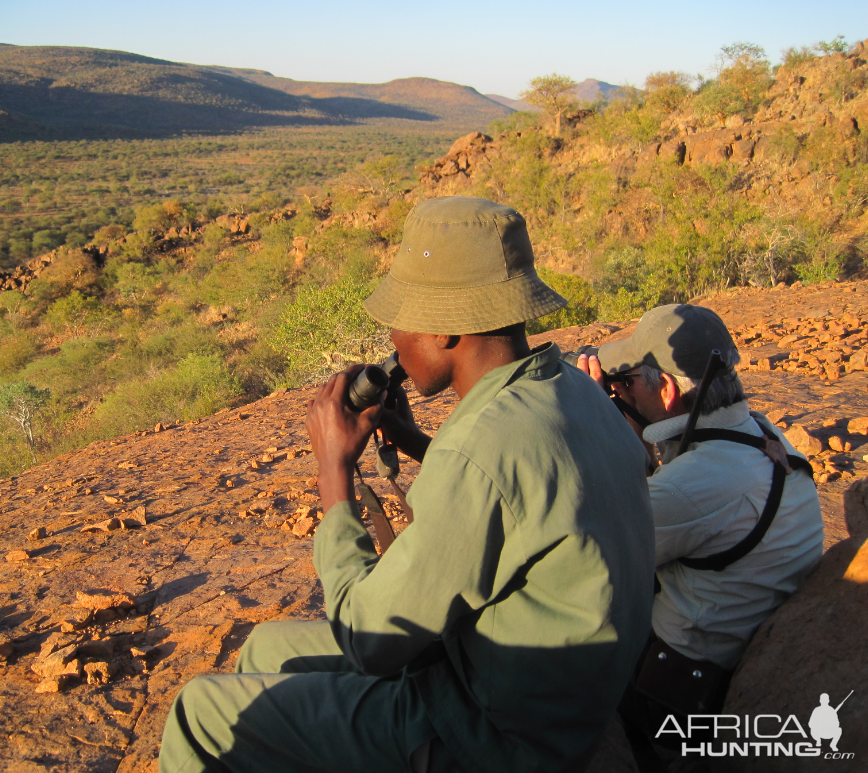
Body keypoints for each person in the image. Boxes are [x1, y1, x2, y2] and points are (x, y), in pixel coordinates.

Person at [159, 196, 656, 773]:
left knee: (199, 713)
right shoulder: (574, 391)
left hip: (490, 737)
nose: (392, 340)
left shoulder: (482, 450)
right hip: (551, 699)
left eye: (400, 317)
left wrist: (334, 476)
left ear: (445, 330)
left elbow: (369, 636)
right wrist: (417, 442)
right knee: (268, 646)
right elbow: (516, 499)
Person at [577, 304, 823, 765]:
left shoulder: (694, 486)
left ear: (667, 390)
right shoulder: (761, 434)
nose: (619, 392)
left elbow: (586, 550)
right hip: (746, 646)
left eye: (625, 383)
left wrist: (597, 427)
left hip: (679, 698)